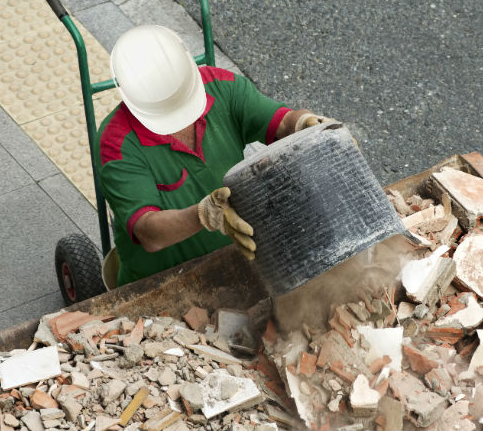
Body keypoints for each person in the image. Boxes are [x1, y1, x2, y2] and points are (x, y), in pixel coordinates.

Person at [95, 25, 334, 286]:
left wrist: (306, 123)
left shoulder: (222, 87)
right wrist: (203, 214)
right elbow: (149, 232)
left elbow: (282, 121)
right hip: (162, 283)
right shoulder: (116, 142)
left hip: (238, 256)